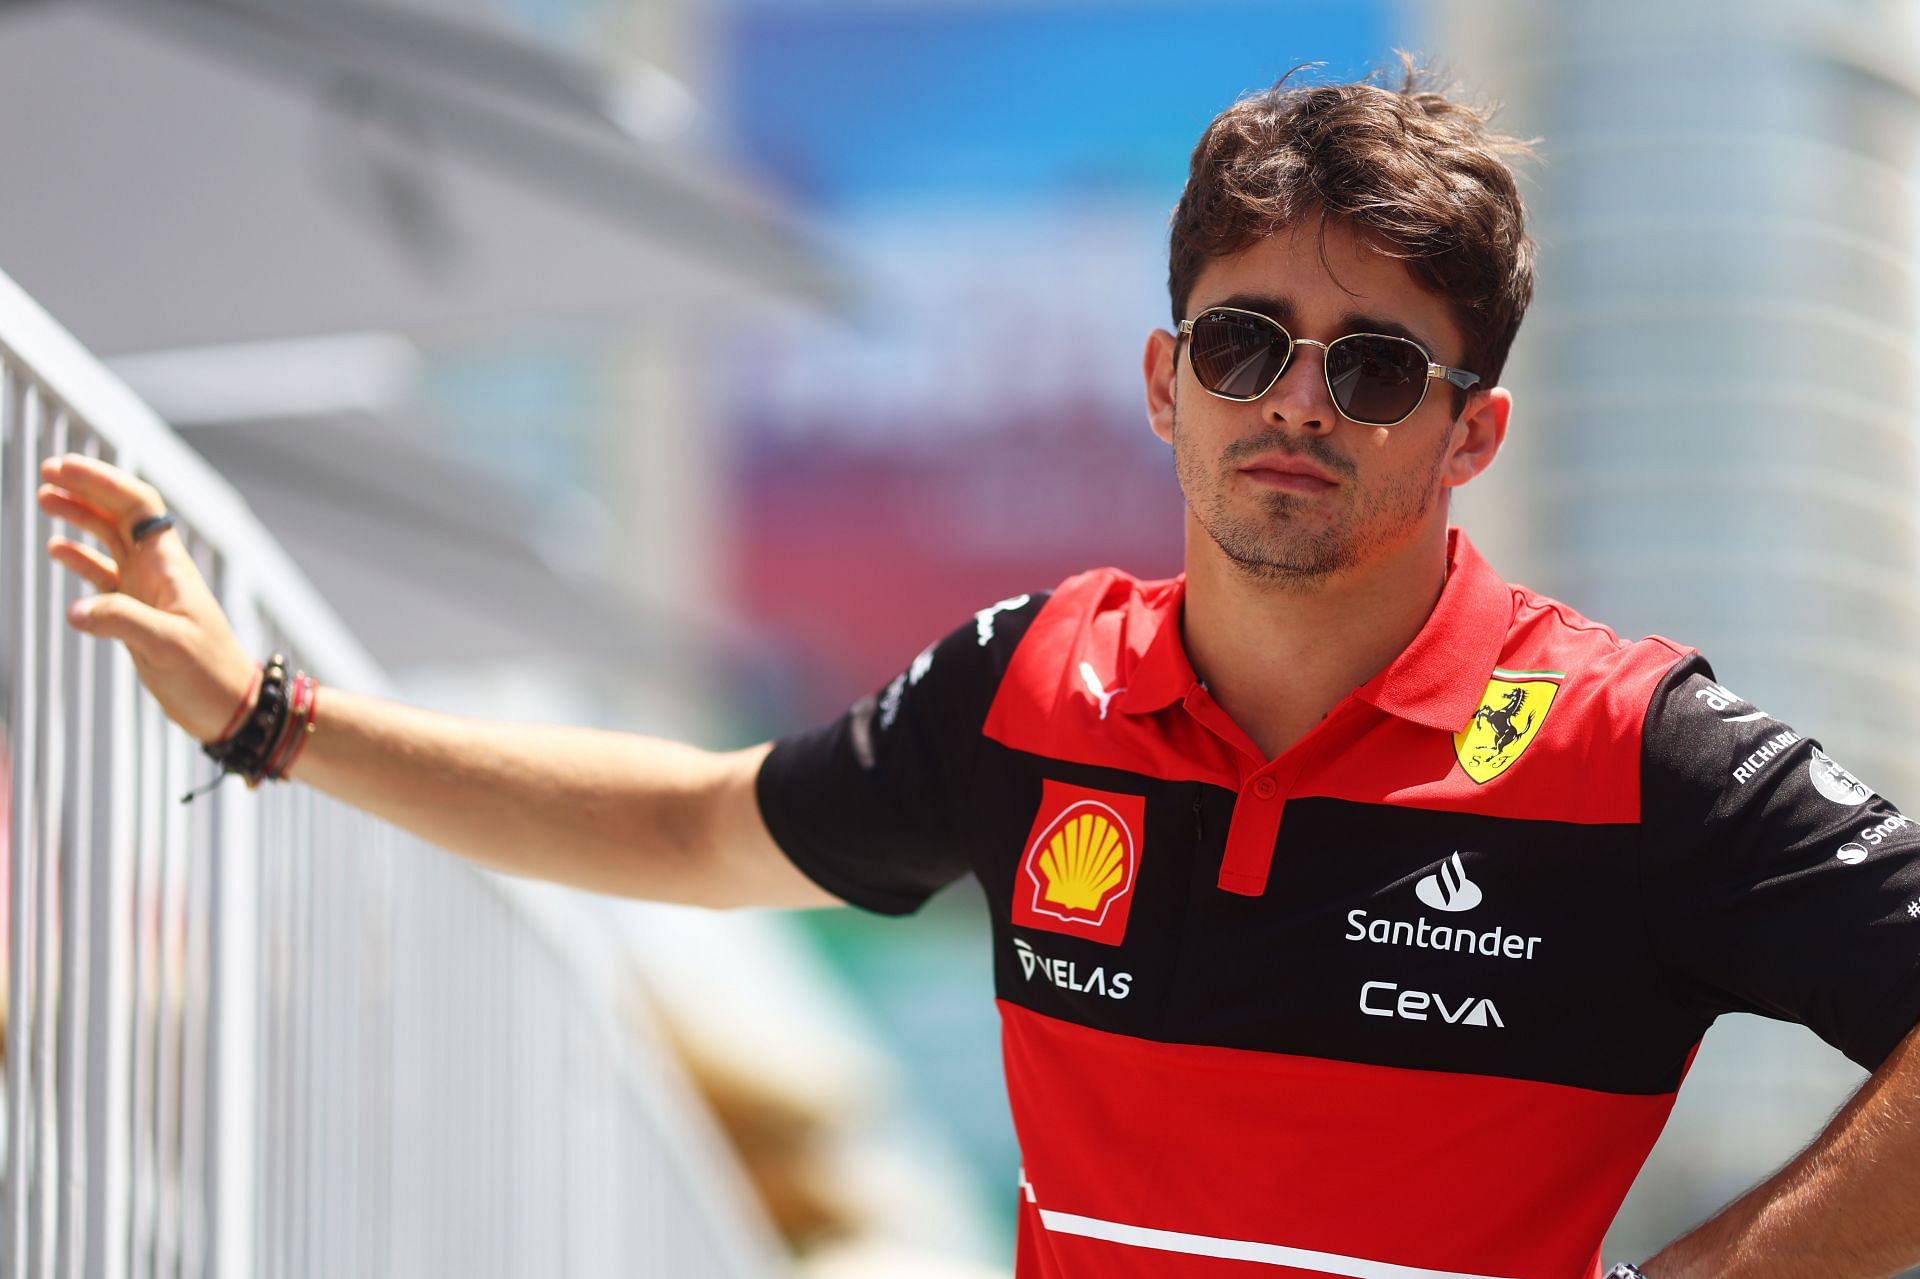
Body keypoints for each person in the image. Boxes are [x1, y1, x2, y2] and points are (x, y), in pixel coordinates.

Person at [36, 62, 1920, 1279]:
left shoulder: (1625, 744)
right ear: (1164, 379)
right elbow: (704, 830)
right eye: (1250, 340)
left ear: (1471, 434)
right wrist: (268, 716)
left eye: (1371, 367)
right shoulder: (1031, 687)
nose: (1296, 403)